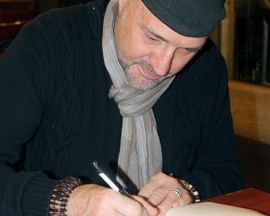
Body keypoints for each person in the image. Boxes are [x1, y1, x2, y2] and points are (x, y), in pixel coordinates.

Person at [0, 0, 243, 215]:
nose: (162, 67)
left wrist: (189, 189)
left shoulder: (207, 67)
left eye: (187, 50)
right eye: (153, 37)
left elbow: (226, 173)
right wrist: (66, 202)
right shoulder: (49, 42)